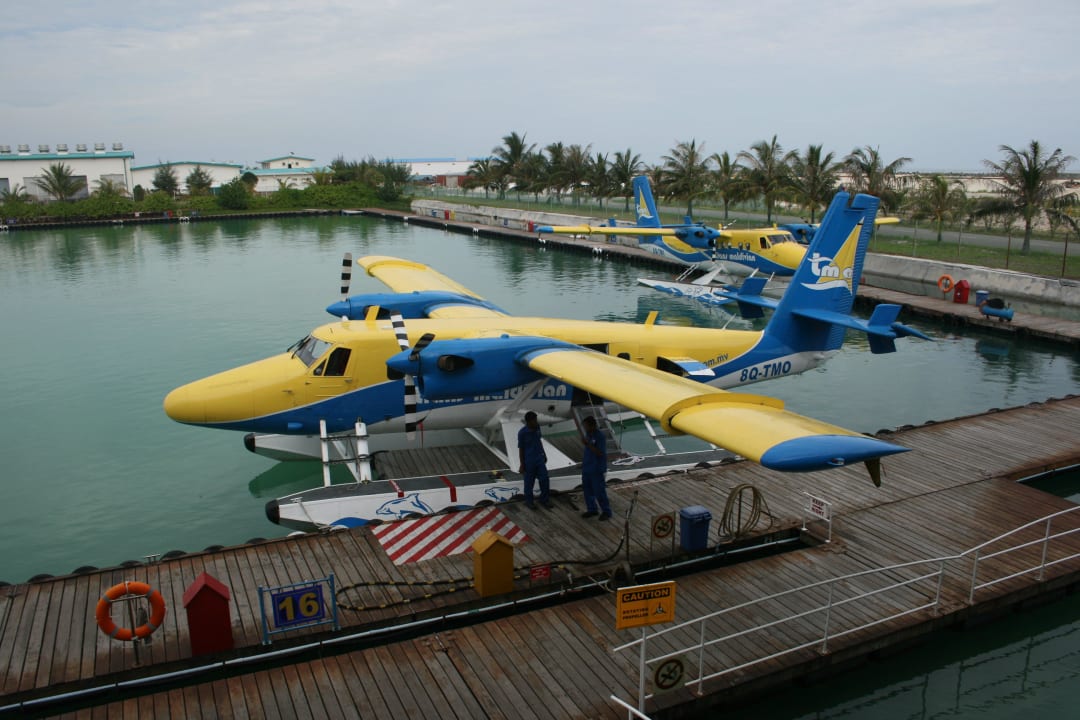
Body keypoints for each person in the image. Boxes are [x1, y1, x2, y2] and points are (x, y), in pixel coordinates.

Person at [580, 415, 612, 521]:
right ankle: (592, 509)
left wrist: (587, 444)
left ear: (592, 425)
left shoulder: (600, 436)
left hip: (597, 468)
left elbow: (600, 452)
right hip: (587, 467)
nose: (585, 428)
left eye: (586, 426)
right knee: (587, 490)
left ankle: (606, 511)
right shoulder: (588, 434)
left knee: (599, 491)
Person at [518, 411, 551, 509]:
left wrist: (544, 454)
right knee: (529, 482)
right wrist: (522, 464)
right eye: (534, 420)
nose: (536, 422)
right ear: (528, 421)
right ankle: (529, 502)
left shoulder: (537, 428)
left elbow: (539, 441)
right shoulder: (522, 433)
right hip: (529, 461)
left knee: (544, 479)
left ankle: (544, 500)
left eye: (536, 420)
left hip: (539, 459)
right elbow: (521, 449)